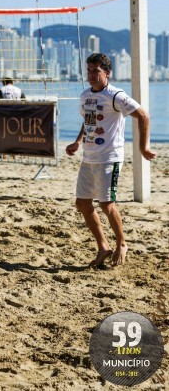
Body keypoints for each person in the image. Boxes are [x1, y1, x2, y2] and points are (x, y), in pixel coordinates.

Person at [65, 53, 155, 267]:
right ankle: (103, 247)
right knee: (83, 203)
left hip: (109, 158)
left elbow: (143, 115)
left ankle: (122, 243)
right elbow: (87, 121)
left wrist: (143, 147)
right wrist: (77, 142)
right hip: (88, 157)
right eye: (89, 70)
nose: (91, 75)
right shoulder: (86, 95)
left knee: (106, 204)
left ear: (107, 73)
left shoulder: (116, 96)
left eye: (96, 71)